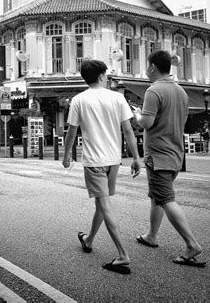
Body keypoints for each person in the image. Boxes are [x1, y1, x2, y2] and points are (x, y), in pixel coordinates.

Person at [62, 59, 141, 275]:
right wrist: (136, 157)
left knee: (104, 204)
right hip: (113, 161)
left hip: (94, 162)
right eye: (106, 75)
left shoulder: (78, 100)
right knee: (102, 202)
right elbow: (128, 131)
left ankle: (123, 255)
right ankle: (88, 240)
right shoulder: (117, 98)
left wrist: (67, 154)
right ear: (101, 76)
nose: (107, 78)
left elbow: (71, 132)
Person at [133, 50, 205, 268]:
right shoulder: (181, 92)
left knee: (165, 199)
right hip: (175, 153)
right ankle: (151, 235)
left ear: (153, 67)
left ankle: (192, 244)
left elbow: (146, 123)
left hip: (158, 154)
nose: (146, 70)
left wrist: (136, 114)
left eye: (147, 66)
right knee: (157, 196)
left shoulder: (153, 91)